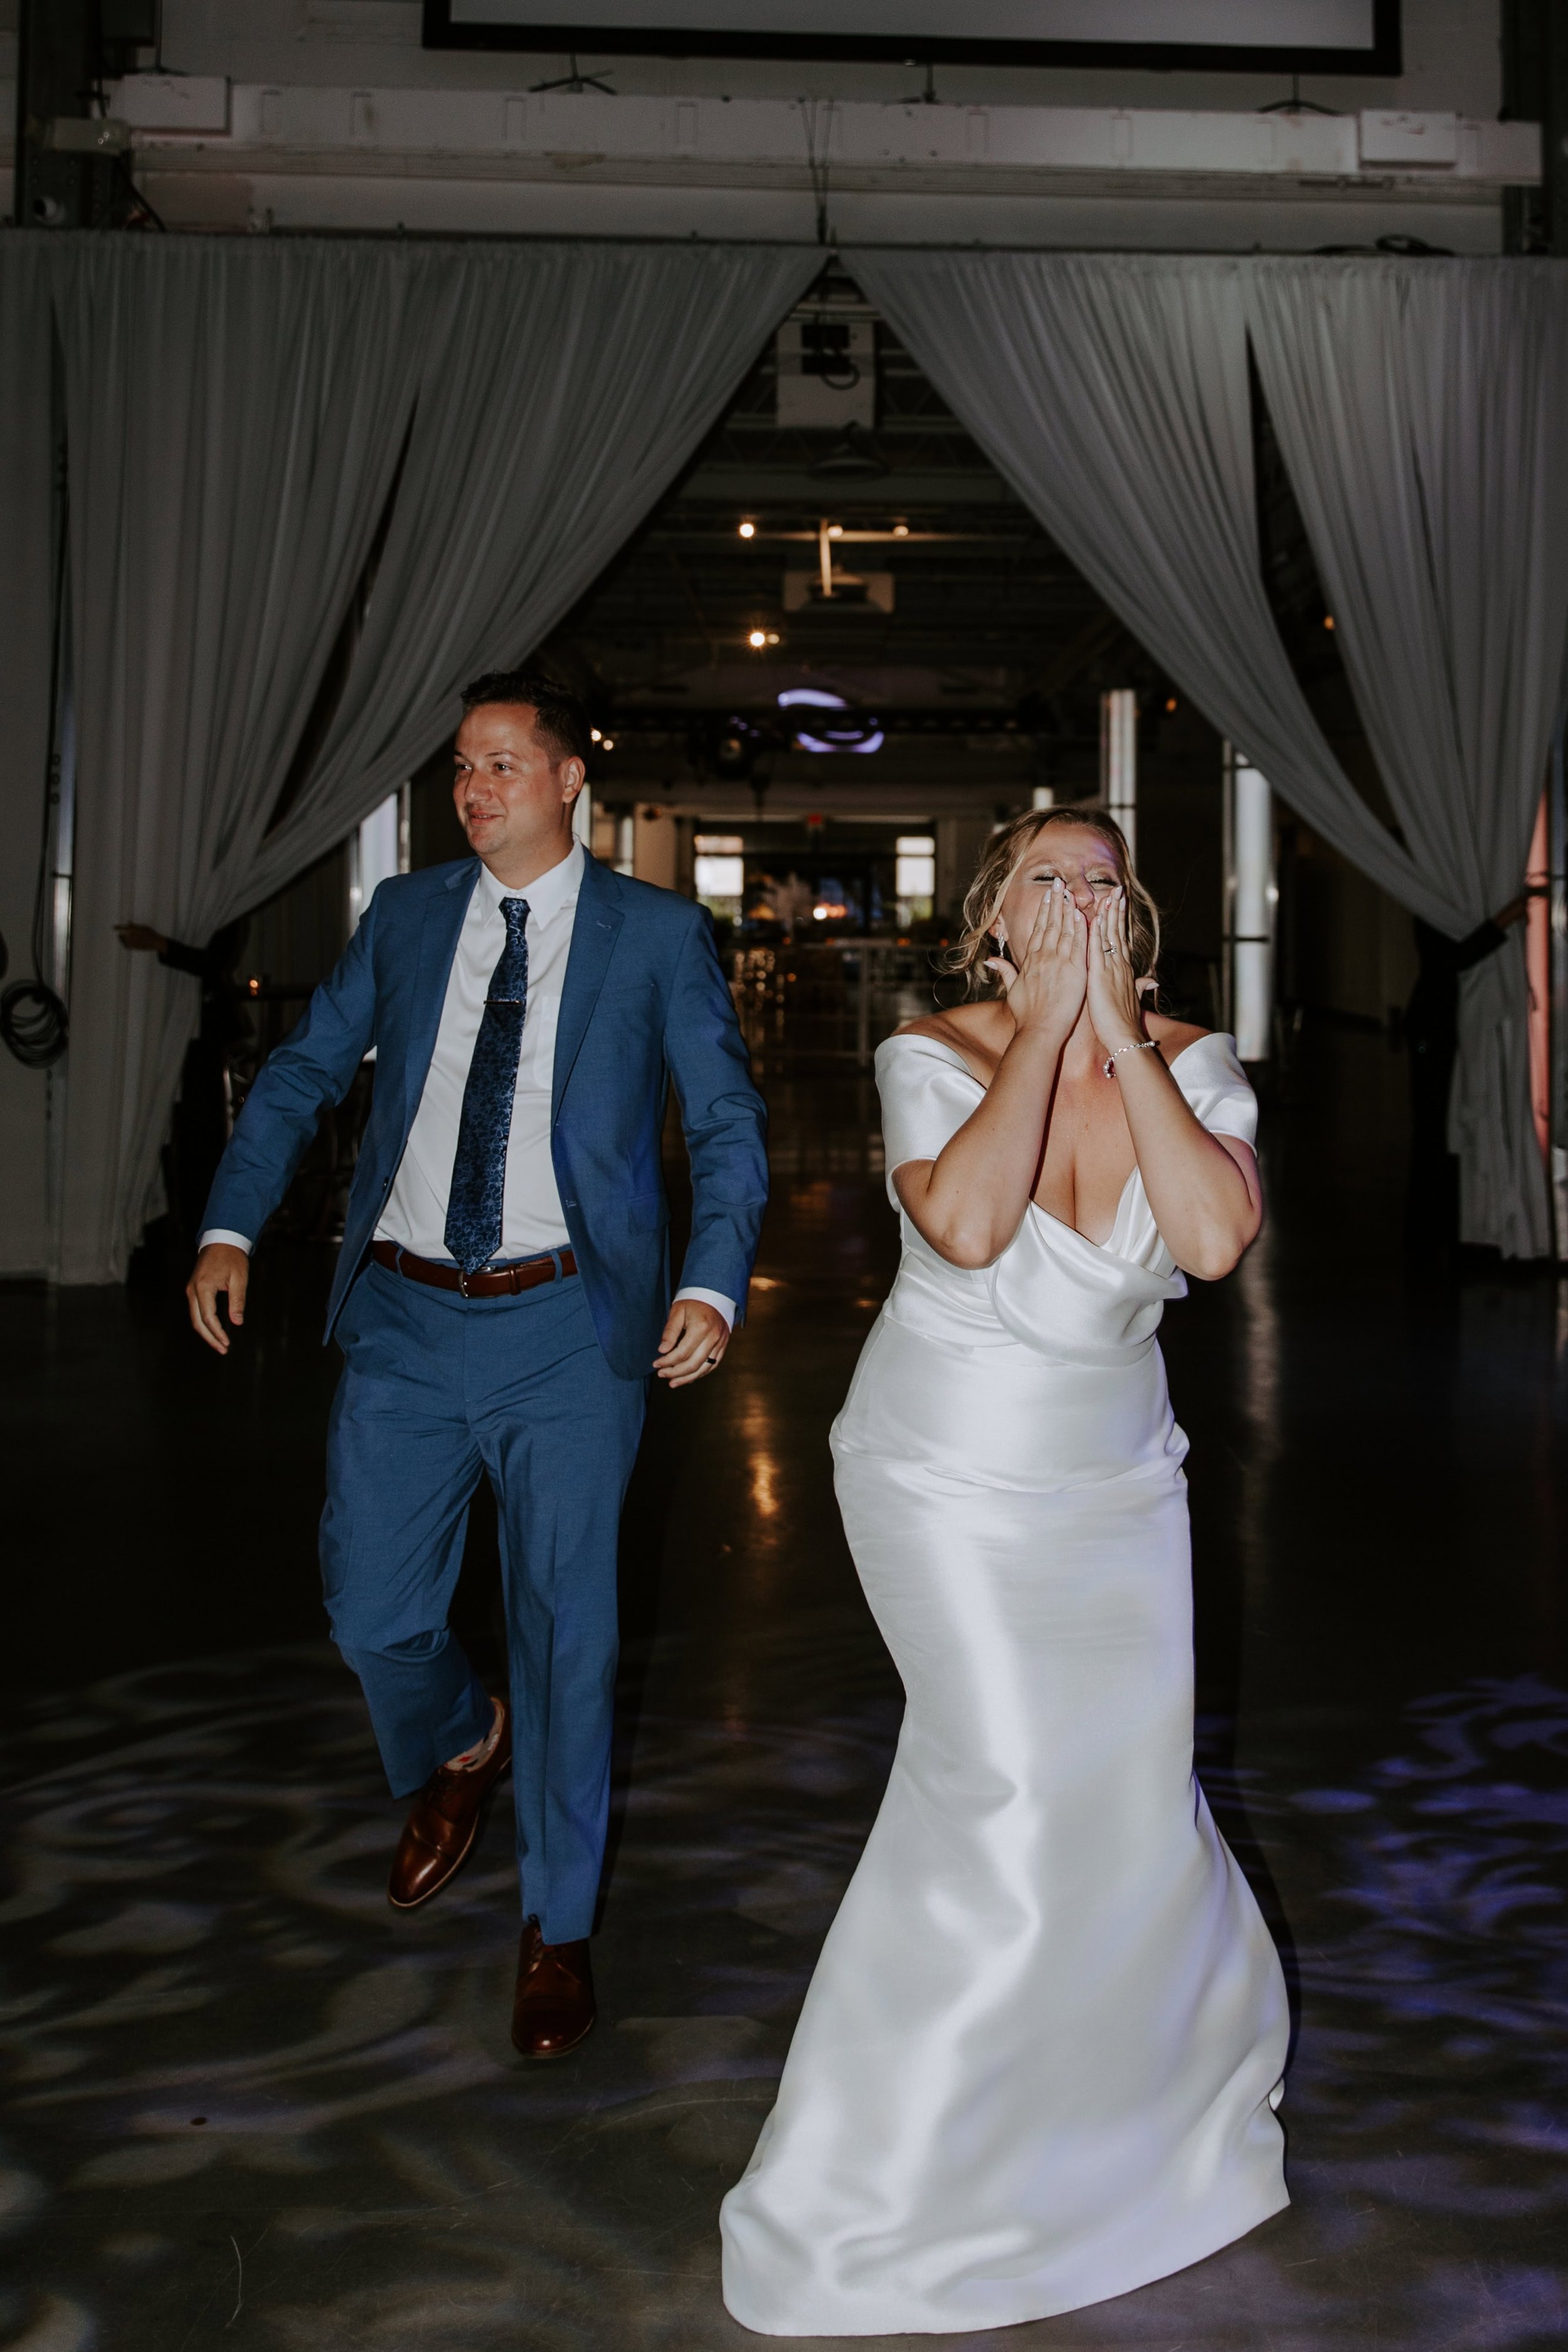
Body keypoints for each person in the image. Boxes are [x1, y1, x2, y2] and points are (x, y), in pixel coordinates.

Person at [721, 807, 1288, 2336]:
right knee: (1006, 1785)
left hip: (1118, 1486)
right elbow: (968, 1223)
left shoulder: (1195, 1052)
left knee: (1122, 1795)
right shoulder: (935, 1048)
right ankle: (880, 2180)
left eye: (1102, 878)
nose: (1075, 897)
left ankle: (1107, 2140)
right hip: (944, 1473)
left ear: (1136, 912)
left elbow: (1214, 1238)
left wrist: (1120, 1033)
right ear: (994, 914)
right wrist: (1041, 1035)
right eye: (1045, 875)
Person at [186, 669, 767, 2060]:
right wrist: (229, 1223)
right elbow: (302, 1075)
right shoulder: (403, 917)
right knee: (371, 1608)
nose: (475, 786)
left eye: (505, 763)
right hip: (401, 1314)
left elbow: (730, 1126)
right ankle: (459, 1738)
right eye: (463, 765)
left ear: (572, 778)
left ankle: (556, 1927)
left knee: (571, 1637)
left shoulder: (654, 936)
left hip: (570, 1330)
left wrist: (709, 1281)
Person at [116, 915, 252, 1241]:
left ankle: (197, 1223)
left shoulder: (223, 904)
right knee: (182, 1132)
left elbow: (216, 961)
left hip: (204, 1036)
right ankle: (170, 1220)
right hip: (193, 1032)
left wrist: (161, 944)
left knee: (200, 1135)